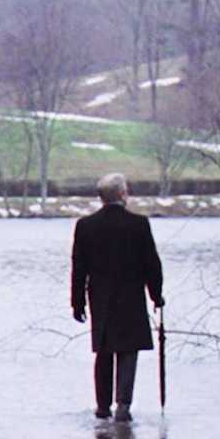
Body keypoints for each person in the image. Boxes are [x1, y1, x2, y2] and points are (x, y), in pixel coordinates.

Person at [71, 172, 164, 422]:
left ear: (101, 198)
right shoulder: (139, 224)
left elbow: (79, 269)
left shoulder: (85, 225)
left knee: (103, 351)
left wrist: (77, 302)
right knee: (128, 351)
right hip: (131, 297)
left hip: (100, 298)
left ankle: (102, 408)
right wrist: (157, 296)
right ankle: (123, 406)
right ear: (123, 194)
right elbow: (152, 265)